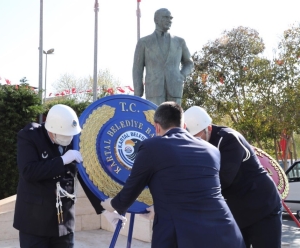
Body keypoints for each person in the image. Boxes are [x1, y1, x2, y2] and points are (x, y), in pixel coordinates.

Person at [101, 102, 245, 248]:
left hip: (182, 238)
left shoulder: (151, 147)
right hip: (226, 234)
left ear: (157, 126)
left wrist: (110, 204)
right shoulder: (211, 150)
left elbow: (129, 194)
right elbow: (194, 190)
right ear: (184, 126)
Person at [13, 104, 126, 248]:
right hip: (34, 221)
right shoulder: (30, 136)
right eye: (64, 136)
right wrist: (62, 160)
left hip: (63, 222)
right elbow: (28, 171)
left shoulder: (75, 139)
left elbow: (86, 176)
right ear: (51, 130)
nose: (68, 139)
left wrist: (105, 210)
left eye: (70, 135)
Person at [184, 106, 282, 248]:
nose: (195, 143)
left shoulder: (229, 139)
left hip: (262, 207)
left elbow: (223, 180)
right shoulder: (196, 148)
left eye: (197, 137)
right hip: (238, 212)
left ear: (209, 128)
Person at [132, 8, 194, 106]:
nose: (169, 20)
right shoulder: (144, 42)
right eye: (166, 17)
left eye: (170, 18)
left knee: (174, 120)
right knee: (154, 119)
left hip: (175, 88)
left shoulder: (179, 42)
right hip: (154, 90)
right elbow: (137, 69)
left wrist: (181, 76)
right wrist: (138, 93)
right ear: (156, 19)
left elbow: (189, 63)